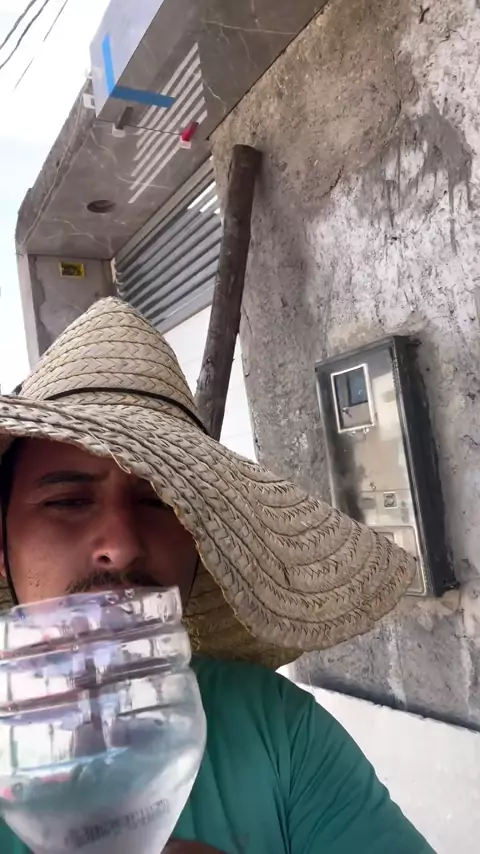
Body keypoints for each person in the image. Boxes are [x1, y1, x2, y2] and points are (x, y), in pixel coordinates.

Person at [0, 298, 435, 854]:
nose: (123, 545)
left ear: (198, 541)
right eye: (67, 502)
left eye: (159, 502)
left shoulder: (276, 728)